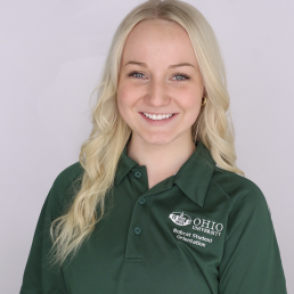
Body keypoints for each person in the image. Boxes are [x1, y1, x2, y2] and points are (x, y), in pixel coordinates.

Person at [19, 0, 288, 293]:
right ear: (116, 84)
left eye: (179, 76)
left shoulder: (239, 206)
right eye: (138, 74)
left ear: (204, 90)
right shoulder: (72, 188)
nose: (157, 97)